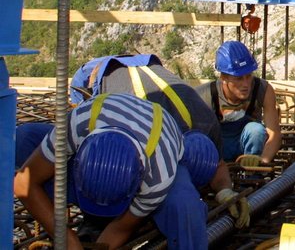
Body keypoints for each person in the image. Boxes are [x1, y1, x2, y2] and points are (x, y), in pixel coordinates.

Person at [68, 53, 250, 228]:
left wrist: (225, 191)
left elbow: (218, 165)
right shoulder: (140, 136)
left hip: (149, 67)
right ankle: (93, 221)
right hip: (95, 75)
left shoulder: (207, 124)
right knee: (101, 169)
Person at [14, 93, 206, 249]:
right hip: (104, 126)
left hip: (158, 148)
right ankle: (91, 218)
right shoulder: (80, 122)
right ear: (78, 157)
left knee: (184, 206)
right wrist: (67, 239)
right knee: (23, 139)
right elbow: (23, 183)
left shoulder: (158, 176)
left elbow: (121, 228)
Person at [196, 40, 282, 168]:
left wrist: (262, 160)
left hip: (248, 144)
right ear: (223, 78)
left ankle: (252, 178)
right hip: (217, 148)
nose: (246, 84)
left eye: (249, 76)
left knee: (256, 130)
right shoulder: (205, 95)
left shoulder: (262, 89)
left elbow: (274, 133)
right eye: (239, 78)